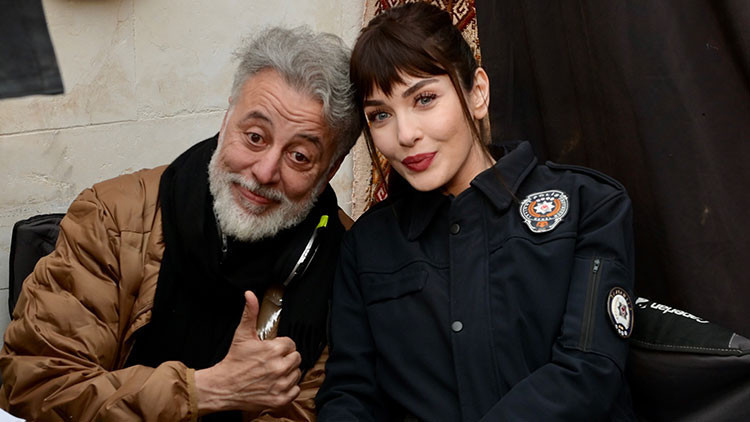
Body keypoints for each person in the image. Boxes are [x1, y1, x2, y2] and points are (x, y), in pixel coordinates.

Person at [0, 26, 362, 421]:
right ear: (227, 118)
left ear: (330, 170)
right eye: (255, 137)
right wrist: (204, 391)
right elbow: (34, 385)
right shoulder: (113, 219)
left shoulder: (349, 262)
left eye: (299, 156)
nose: (264, 172)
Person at [316, 3, 635, 421]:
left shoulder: (588, 205)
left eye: (424, 99)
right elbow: (349, 395)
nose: (405, 134)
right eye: (380, 115)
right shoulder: (366, 246)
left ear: (477, 92)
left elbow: (588, 372)